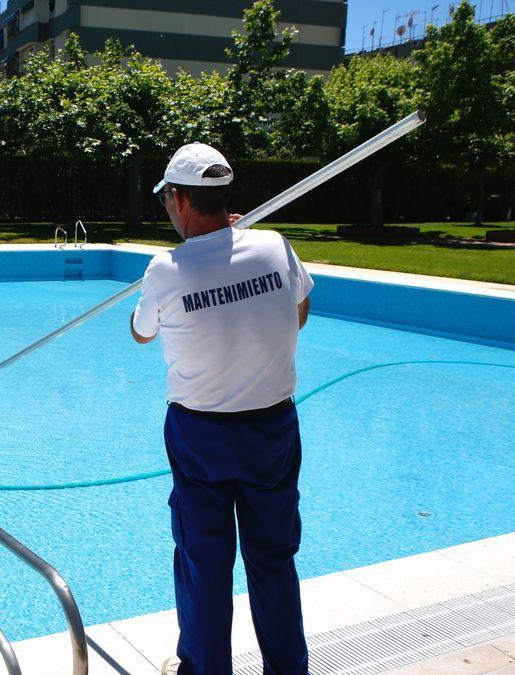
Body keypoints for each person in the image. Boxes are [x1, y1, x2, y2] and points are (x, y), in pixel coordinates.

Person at [130, 142, 313, 675]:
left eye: (168, 199)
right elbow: (296, 314)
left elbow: (141, 334)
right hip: (272, 430)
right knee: (273, 560)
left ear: (184, 199)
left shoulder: (166, 268)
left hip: (201, 437)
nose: (167, 208)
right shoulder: (275, 247)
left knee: (205, 563)